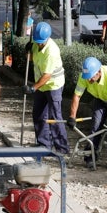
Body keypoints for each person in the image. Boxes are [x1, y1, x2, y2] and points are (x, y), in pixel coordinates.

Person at [67, 57, 107, 169]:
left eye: (91, 77)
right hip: (100, 98)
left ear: (99, 72)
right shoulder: (84, 76)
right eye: (87, 77)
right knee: (95, 126)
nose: (89, 80)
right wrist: (72, 117)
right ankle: (90, 157)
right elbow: (77, 96)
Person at [23, 22, 69, 154]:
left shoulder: (51, 51)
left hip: (53, 85)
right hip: (41, 86)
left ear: (47, 38)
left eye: (41, 42)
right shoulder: (36, 43)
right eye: (37, 42)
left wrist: (32, 88)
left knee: (55, 117)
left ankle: (62, 148)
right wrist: (27, 52)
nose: (39, 44)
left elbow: (47, 76)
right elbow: (32, 59)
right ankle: (43, 144)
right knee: (38, 114)